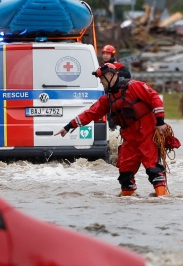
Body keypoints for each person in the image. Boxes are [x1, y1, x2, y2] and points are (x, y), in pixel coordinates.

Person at [56, 63, 169, 197]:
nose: (101, 82)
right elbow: (91, 113)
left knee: (153, 169)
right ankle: (126, 199)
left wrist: (160, 122)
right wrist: (69, 126)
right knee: (125, 173)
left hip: (147, 133)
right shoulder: (108, 99)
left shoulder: (134, 86)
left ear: (110, 75)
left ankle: (162, 200)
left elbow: (154, 98)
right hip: (129, 137)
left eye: (102, 79)